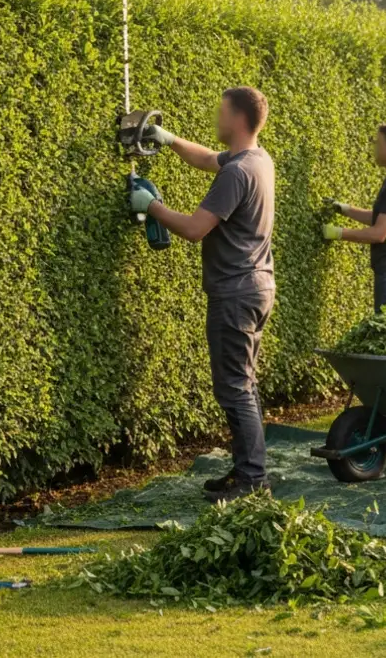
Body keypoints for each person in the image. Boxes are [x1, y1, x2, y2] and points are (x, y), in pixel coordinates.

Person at [129, 87, 276, 502]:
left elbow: (195, 229)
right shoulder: (257, 159)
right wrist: (169, 140)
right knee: (243, 383)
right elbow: (208, 158)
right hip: (256, 286)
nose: (216, 116)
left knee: (234, 388)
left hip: (236, 292)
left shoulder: (238, 172)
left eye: (222, 111)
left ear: (238, 119)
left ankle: (252, 479)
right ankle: (248, 470)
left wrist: (151, 206)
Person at [321, 122, 386, 312]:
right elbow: (382, 219)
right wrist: (345, 209)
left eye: (378, 142)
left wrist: (339, 233)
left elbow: (379, 233)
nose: (375, 147)